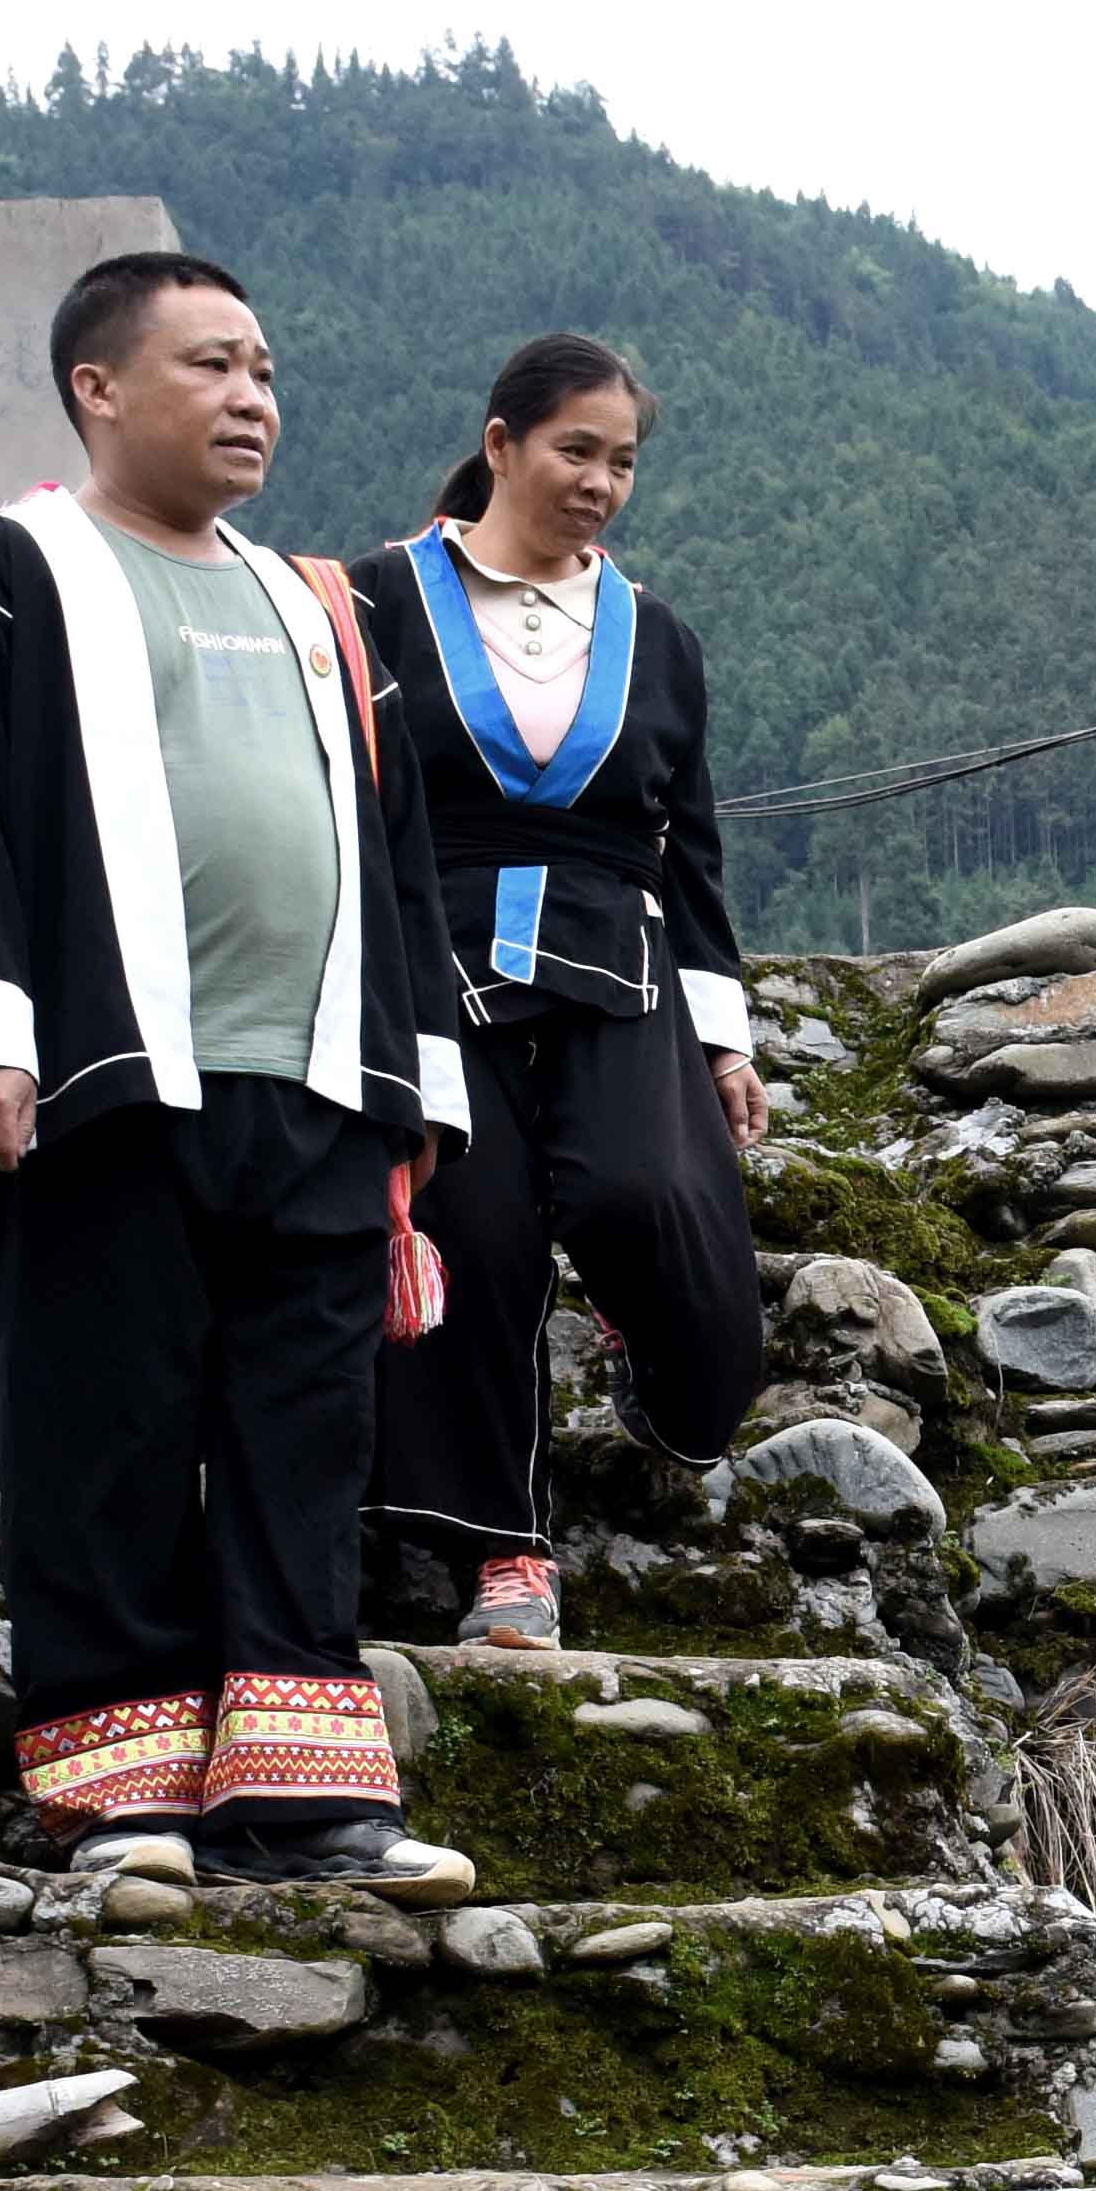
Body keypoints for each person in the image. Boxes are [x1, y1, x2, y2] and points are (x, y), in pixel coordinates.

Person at [0, 249, 477, 1895]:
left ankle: (305, 1799)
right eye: (211, 364)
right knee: (105, 1420)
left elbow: (398, 848)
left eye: (263, 369)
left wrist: (417, 1078)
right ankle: (120, 1795)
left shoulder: (321, 606)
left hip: (323, 1084)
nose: (252, 397)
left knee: (306, 1430)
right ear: (98, 387)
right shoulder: (5, 571)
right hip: (109, 1076)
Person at [344, 331, 772, 1650]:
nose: (599, 482)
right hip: (432, 957)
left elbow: (690, 850)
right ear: (501, 444)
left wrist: (722, 1038)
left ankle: (657, 1367)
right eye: (575, 450)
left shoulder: (660, 639)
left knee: (649, 1195)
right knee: (475, 1235)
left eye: (622, 462)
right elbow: (345, 807)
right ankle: (506, 1553)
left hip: (618, 962)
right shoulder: (372, 602)